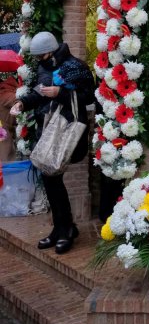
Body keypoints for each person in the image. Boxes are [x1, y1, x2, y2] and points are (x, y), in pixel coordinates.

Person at [10, 32, 94, 254]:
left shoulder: (75, 66)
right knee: (50, 180)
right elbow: (40, 92)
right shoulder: (43, 66)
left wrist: (61, 93)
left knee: (53, 179)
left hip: (66, 132)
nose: (39, 60)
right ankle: (62, 228)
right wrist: (23, 103)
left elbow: (88, 97)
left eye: (41, 56)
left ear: (51, 51)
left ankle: (65, 229)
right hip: (47, 130)